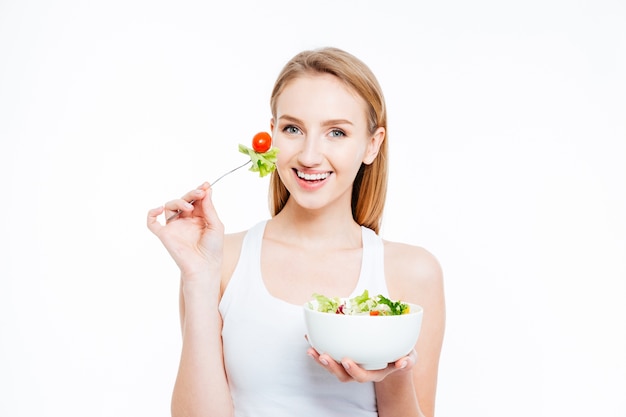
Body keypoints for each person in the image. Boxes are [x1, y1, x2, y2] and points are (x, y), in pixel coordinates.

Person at [147, 46, 446, 417]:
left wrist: (393, 373)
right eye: (293, 129)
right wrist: (197, 278)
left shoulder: (412, 272)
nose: (309, 156)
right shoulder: (221, 262)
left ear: (372, 144)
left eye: (336, 132)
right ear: (272, 135)